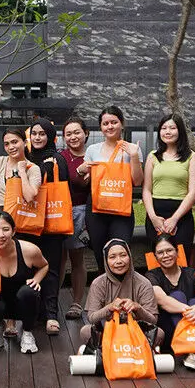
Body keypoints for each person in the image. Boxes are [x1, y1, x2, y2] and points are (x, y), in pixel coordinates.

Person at [77, 106, 143, 272]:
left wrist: (134, 156)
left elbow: (137, 181)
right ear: (101, 127)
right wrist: (81, 170)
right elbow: (86, 183)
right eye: (105, 123)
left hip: (122, 211)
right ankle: (105, 288)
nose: (110, 126)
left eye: (114, 122)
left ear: (122, 124)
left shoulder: (132, 149)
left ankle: (123, 288)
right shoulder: (92, 150)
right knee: (101, 256)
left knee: (121, 254)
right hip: (97, 210)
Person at [0, 210, 49, 353]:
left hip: (22, 304)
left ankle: (27, 332)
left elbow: (44, 265)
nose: (1, 235)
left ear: (14, 231)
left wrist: (36, 280)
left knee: (29, 292)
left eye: (5, 229)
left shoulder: (29, 250)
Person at [27, 118, 69, 335]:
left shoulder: (58, 159)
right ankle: (32, 312)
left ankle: (51, 313)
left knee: (51, 268)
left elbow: (63, 186)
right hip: (28, 222)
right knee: (29, 267)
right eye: (34, 133)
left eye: (42, 133)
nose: (37, 137)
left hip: (51, 221)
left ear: (50, 136)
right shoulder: (24, 157)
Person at [142, 113, 195, 263]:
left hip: (181, 216)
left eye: (172, 128)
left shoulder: (191, 157)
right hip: (155, 216)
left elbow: (193, 192)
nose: (167, 132)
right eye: (164, 128)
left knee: (181, 260)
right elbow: (147, 190)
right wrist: (153, 217)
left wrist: (174, 219)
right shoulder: (152, 156)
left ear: (180, 131)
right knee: (156, 261)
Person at [80, 238, 159, 349]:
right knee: (86, 331)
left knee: (159, 333)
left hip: (136, 332)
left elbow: (153, 321)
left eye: (123, 255)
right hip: (108, 332)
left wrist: (138, 308)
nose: (119, 261)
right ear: (106, 260)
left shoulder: (143, 283)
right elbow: (92, 318)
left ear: (130, 257)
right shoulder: (98, 283)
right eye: (112, 257)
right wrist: (109, 308)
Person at [147, 234, 195, 370]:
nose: (165, 255)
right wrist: (194, 310)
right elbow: (163, 301)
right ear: (155, 256)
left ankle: (193, 352)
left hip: (194, 328)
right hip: (168, 329)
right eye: (160, 253)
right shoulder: (152, 276)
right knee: (178, 296)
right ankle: (193, 351)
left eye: (169, 250)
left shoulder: (191, 273)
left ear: (177, 251)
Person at [60, 116, 90, 321]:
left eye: (77, 132)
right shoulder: (60, 156)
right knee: (58, 259)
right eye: (68, 134)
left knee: (77, 258)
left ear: (85, 133)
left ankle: (77, 302)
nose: (73, 137)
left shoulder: (93, 155)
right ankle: (52, 301)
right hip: (59, 210)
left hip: (81, 211)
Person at [0, 128, 42, 217]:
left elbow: (29, 197)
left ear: (25, 143)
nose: (11, 147)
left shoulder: (33, 168)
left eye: (14, 142)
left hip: (22, 217)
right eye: (6, 144)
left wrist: (22, 172)